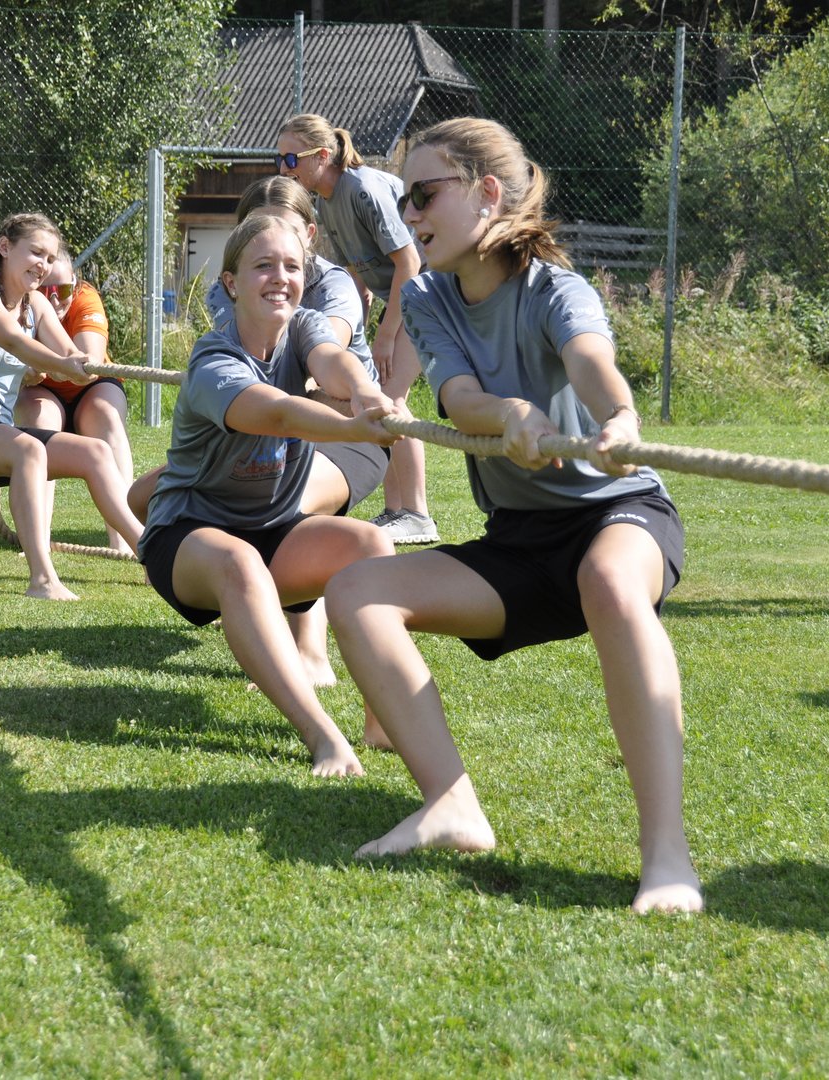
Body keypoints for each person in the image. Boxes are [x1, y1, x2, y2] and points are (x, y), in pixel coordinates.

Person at [325, 118, 703, 914]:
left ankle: (666, 852)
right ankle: (450, 804)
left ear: (487, 193)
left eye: (423, 194)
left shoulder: (555, 288)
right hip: (523, 544)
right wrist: (511, 413)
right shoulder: (425, 291)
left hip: (618, 516)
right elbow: (458, 397)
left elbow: (593, 364)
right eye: (402, 197)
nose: (408, 213)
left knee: (609, 581)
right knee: (357, 592)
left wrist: (621, 421)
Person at [140, 214, 400, 777]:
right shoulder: (214, 361)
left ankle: (384, 722)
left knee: (371, 544)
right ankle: (322, 735)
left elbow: (333, 362)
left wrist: (363, 393)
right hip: (187, 536)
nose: (280, 277)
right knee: (239, 564)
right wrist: (355, 428)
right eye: (263, 266)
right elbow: (277, 413)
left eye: (291, 266)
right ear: (231, 283)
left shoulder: (306, 326)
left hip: (274, 530)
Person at [0, 213, 144, 601]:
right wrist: (61, 364)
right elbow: (15, 342)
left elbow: (68, 352)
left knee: (95, 453)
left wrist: (83, 365)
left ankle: (151, 554)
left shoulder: (36, 304)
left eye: (50, 258)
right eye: (35, 252)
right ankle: (43, 581)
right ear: (4, 248)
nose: (43, 265)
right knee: (29, 449)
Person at [275, 113, 437, 545]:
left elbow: (410, 263)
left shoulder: (360, 188)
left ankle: (417, 513)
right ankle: (397, 510)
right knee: (384, 397)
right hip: (408, 300)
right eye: (280, 158)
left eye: (292, 157)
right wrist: (359, 326)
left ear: (322, 155)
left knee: (392, 399)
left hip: (431, 297)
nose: (284, 168)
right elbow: (357, 274)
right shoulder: (327, 201)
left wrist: (386, 333)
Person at [13, 249, 136, 555]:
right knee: (40, 425)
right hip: (41, 391)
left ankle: (123, 540)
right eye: (45, 291)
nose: (55, 300)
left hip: (89, 386)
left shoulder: (86, 299)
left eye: (64, 289)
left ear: (76, 285)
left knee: (105, 416)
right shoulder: (15, 306)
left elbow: (88, 364)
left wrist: (39, 362)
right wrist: (21, 372)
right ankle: (36, 539)